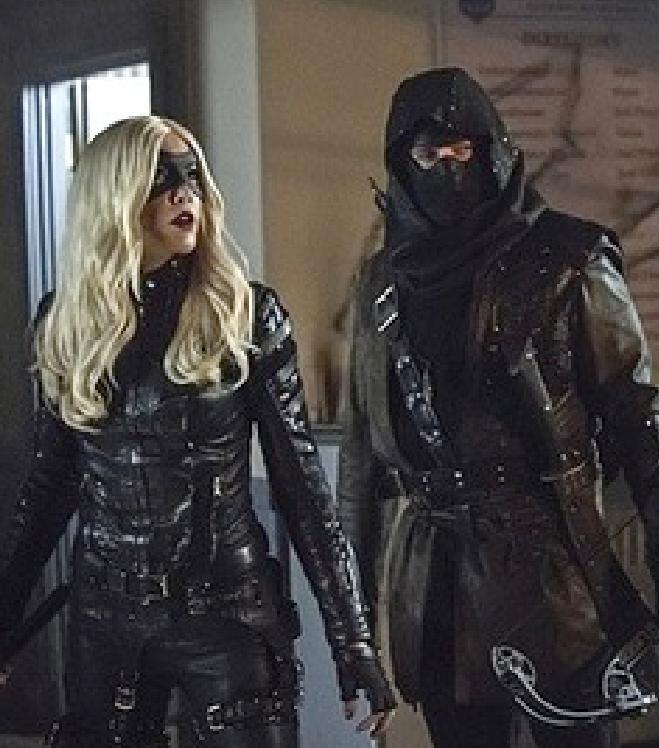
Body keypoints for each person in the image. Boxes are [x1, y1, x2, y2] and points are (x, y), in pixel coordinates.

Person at [336, 67, 659, 748]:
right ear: (401, 163)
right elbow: (363, 464)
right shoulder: (383, 285)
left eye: (464, 149)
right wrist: (355, 636)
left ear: (494, 151)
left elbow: (638, 417)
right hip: (436, 586)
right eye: (429, 153)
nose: (450, 168)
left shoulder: (567, 260)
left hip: (557, 577)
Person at [0, 115, 396, 746]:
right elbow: (47, 488)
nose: (185, 193)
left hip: (227, 611)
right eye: (161, 178)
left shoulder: (246, 316)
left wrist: (354, 643)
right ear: (116, 196)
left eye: (192, 177)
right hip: (106, 616)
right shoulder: (66, 323)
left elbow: (303, 490)